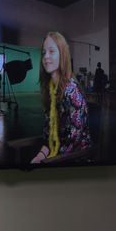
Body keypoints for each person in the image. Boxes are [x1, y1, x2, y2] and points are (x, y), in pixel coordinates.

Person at [30, 31, 92, 164]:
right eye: (44, 52)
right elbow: (49, 134)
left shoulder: (72, 93)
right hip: (56, 156)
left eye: (51, 51)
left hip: (75, 161)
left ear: (62, 55)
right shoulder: (51, 90)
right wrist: (40, 155)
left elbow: (72, 143)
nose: (46, 56)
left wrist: (47, 161)